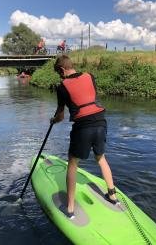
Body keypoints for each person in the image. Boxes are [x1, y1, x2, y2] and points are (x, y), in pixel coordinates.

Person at [50, 55, 119, 219]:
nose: (60, 77)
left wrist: (53, 120)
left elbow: (60, 116)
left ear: (61, 69)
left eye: (59, 74)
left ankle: (70, 209)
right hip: (101, 122)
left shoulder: (62, 87)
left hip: (83, 128)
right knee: (101, 157)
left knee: (72, 163)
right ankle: (112, 196)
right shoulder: (90, 76)